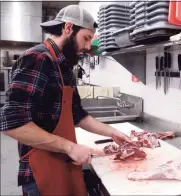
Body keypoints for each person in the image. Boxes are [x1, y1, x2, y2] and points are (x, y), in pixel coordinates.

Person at [0, 5, 132, 196]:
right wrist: (70, 147)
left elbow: (77, 115)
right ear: (68, 28)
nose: (88, 46)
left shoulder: (64, 66)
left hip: (65, 162)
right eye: (86, 38)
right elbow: (12, 123)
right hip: (41, 170)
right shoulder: (37, 58)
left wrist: (113, 132)